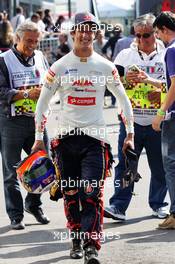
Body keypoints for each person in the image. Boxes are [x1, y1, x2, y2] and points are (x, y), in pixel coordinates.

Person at [31, 12, 134, 264]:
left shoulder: (105, 66)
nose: (86, 34)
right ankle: (76, 239)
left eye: (91, 30)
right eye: (82, 30)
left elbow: (123, 101)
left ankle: (91, 246)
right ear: (74, 32)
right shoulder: (60, 66)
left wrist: (129, 133)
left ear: (95, 34)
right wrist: (38, 137)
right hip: (65, 139)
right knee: (71, 192)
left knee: (91, 193)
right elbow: (43, 103)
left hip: (96, 140)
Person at [104, 13, 168, 222]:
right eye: (137, 35)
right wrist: (123, 80)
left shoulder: (166, 54)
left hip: (158, 121)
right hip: (130, 121)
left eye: (146, 35)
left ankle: (159, 204)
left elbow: (172, 87)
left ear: (156, 33)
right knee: (125, 165)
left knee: (159, 165)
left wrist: (155, 88)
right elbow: (110, 85)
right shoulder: (124, 55)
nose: (141, 40)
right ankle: (118, 206)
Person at [0, 21, 50, 230]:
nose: (32, 45)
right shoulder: (4, 60)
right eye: (29, 41)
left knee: (43, 167)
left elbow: (51, 83)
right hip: (11, 122)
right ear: (17, 38)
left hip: (37, 121)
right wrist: (26, 93)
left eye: (36, 41)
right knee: (12, 171)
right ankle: (15, 214)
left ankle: (33, 204)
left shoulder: (40, 57)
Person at [152, 11, 175, 229]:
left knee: (171, 164)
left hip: (173, 117)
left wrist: (160, 114)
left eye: (157, 33)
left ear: (164, 30)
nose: (157, 37)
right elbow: (169, 85)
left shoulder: (171, 50)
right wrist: (149, 81)